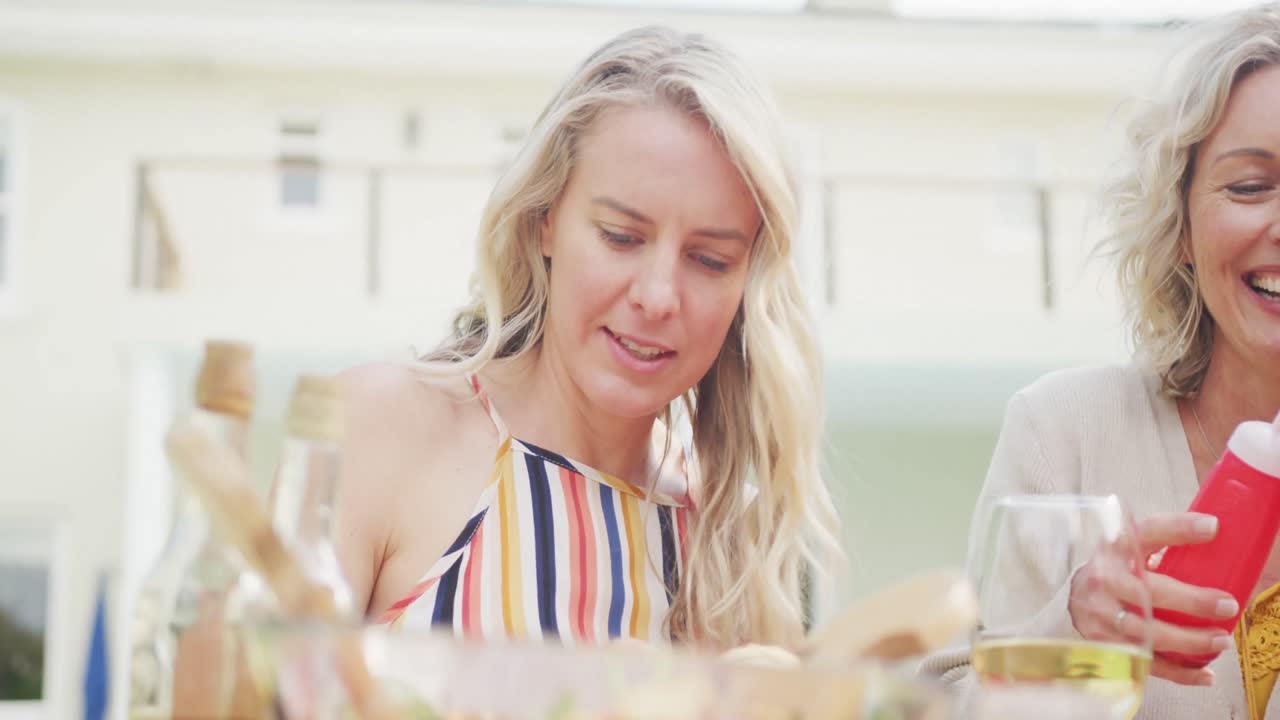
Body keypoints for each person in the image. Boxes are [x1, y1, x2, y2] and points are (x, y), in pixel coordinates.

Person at [333, 25, 840, 651]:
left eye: (710, 260)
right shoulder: (382, 430)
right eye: (620, 237)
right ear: (545, 220)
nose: (657, 297)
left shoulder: (735, 542)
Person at [921, 4, 1280, 718]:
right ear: (1179, 224)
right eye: (1248, 186)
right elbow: (944, 706)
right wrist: (1072, 630)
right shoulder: (1065, 435)